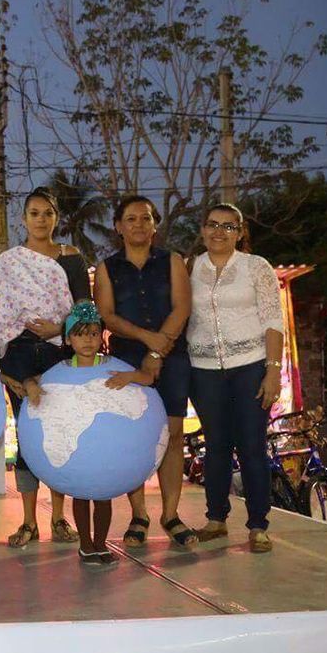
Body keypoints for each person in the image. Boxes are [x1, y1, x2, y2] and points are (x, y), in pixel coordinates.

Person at [0, 187, 86, 548]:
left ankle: (59, 518)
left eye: (48, 213)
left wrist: (61, 328)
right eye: (34, 213)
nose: (41, 220)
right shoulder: (9, 263)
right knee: (28, 436)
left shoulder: (71, 258)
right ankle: (28, 522)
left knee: (57, 434)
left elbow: (84, 310)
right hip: (20, 354)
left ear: (57, 218)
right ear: (23, 219)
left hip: (59, 354)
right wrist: (0, 362)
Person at [94, 196, 196, 550]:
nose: (138, 224)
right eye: (131, 219)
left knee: (173, 433)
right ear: (118, 226)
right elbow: (107, 315)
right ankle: (139, 514)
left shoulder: (173, 262)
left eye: (146, 218)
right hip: (127, 358)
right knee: (135, 436)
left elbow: (182, 307)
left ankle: (171, 514)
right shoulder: (107, 269)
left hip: (173, 354)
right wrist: (145, 341)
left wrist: (158, 348)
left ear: (155, 225)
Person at [187, 203, 284, 554]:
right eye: (212, 225)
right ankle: (216, 519)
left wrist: (273, 371)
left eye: (229, 227)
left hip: (250, 367)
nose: (219, 232)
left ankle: (258, 525)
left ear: (240, 233)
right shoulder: (190, 268)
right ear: (202, 229)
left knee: (252, 446)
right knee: (215, 446)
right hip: (204, 371)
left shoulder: (256, 267)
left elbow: (274, 320)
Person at [26, 302, 155, 564]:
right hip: (79, 454)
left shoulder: (111, 365)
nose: (88, 339)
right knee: (82, 494)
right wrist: (30, 386)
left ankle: (100, 543)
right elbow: (33, 380)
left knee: (104, 496)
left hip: (104, 454)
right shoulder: (61, 369)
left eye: (94, 333)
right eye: (80, 334)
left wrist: (129, 377)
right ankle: (86, 544)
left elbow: (148, 379)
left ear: (101, 337)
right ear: (69, 338)